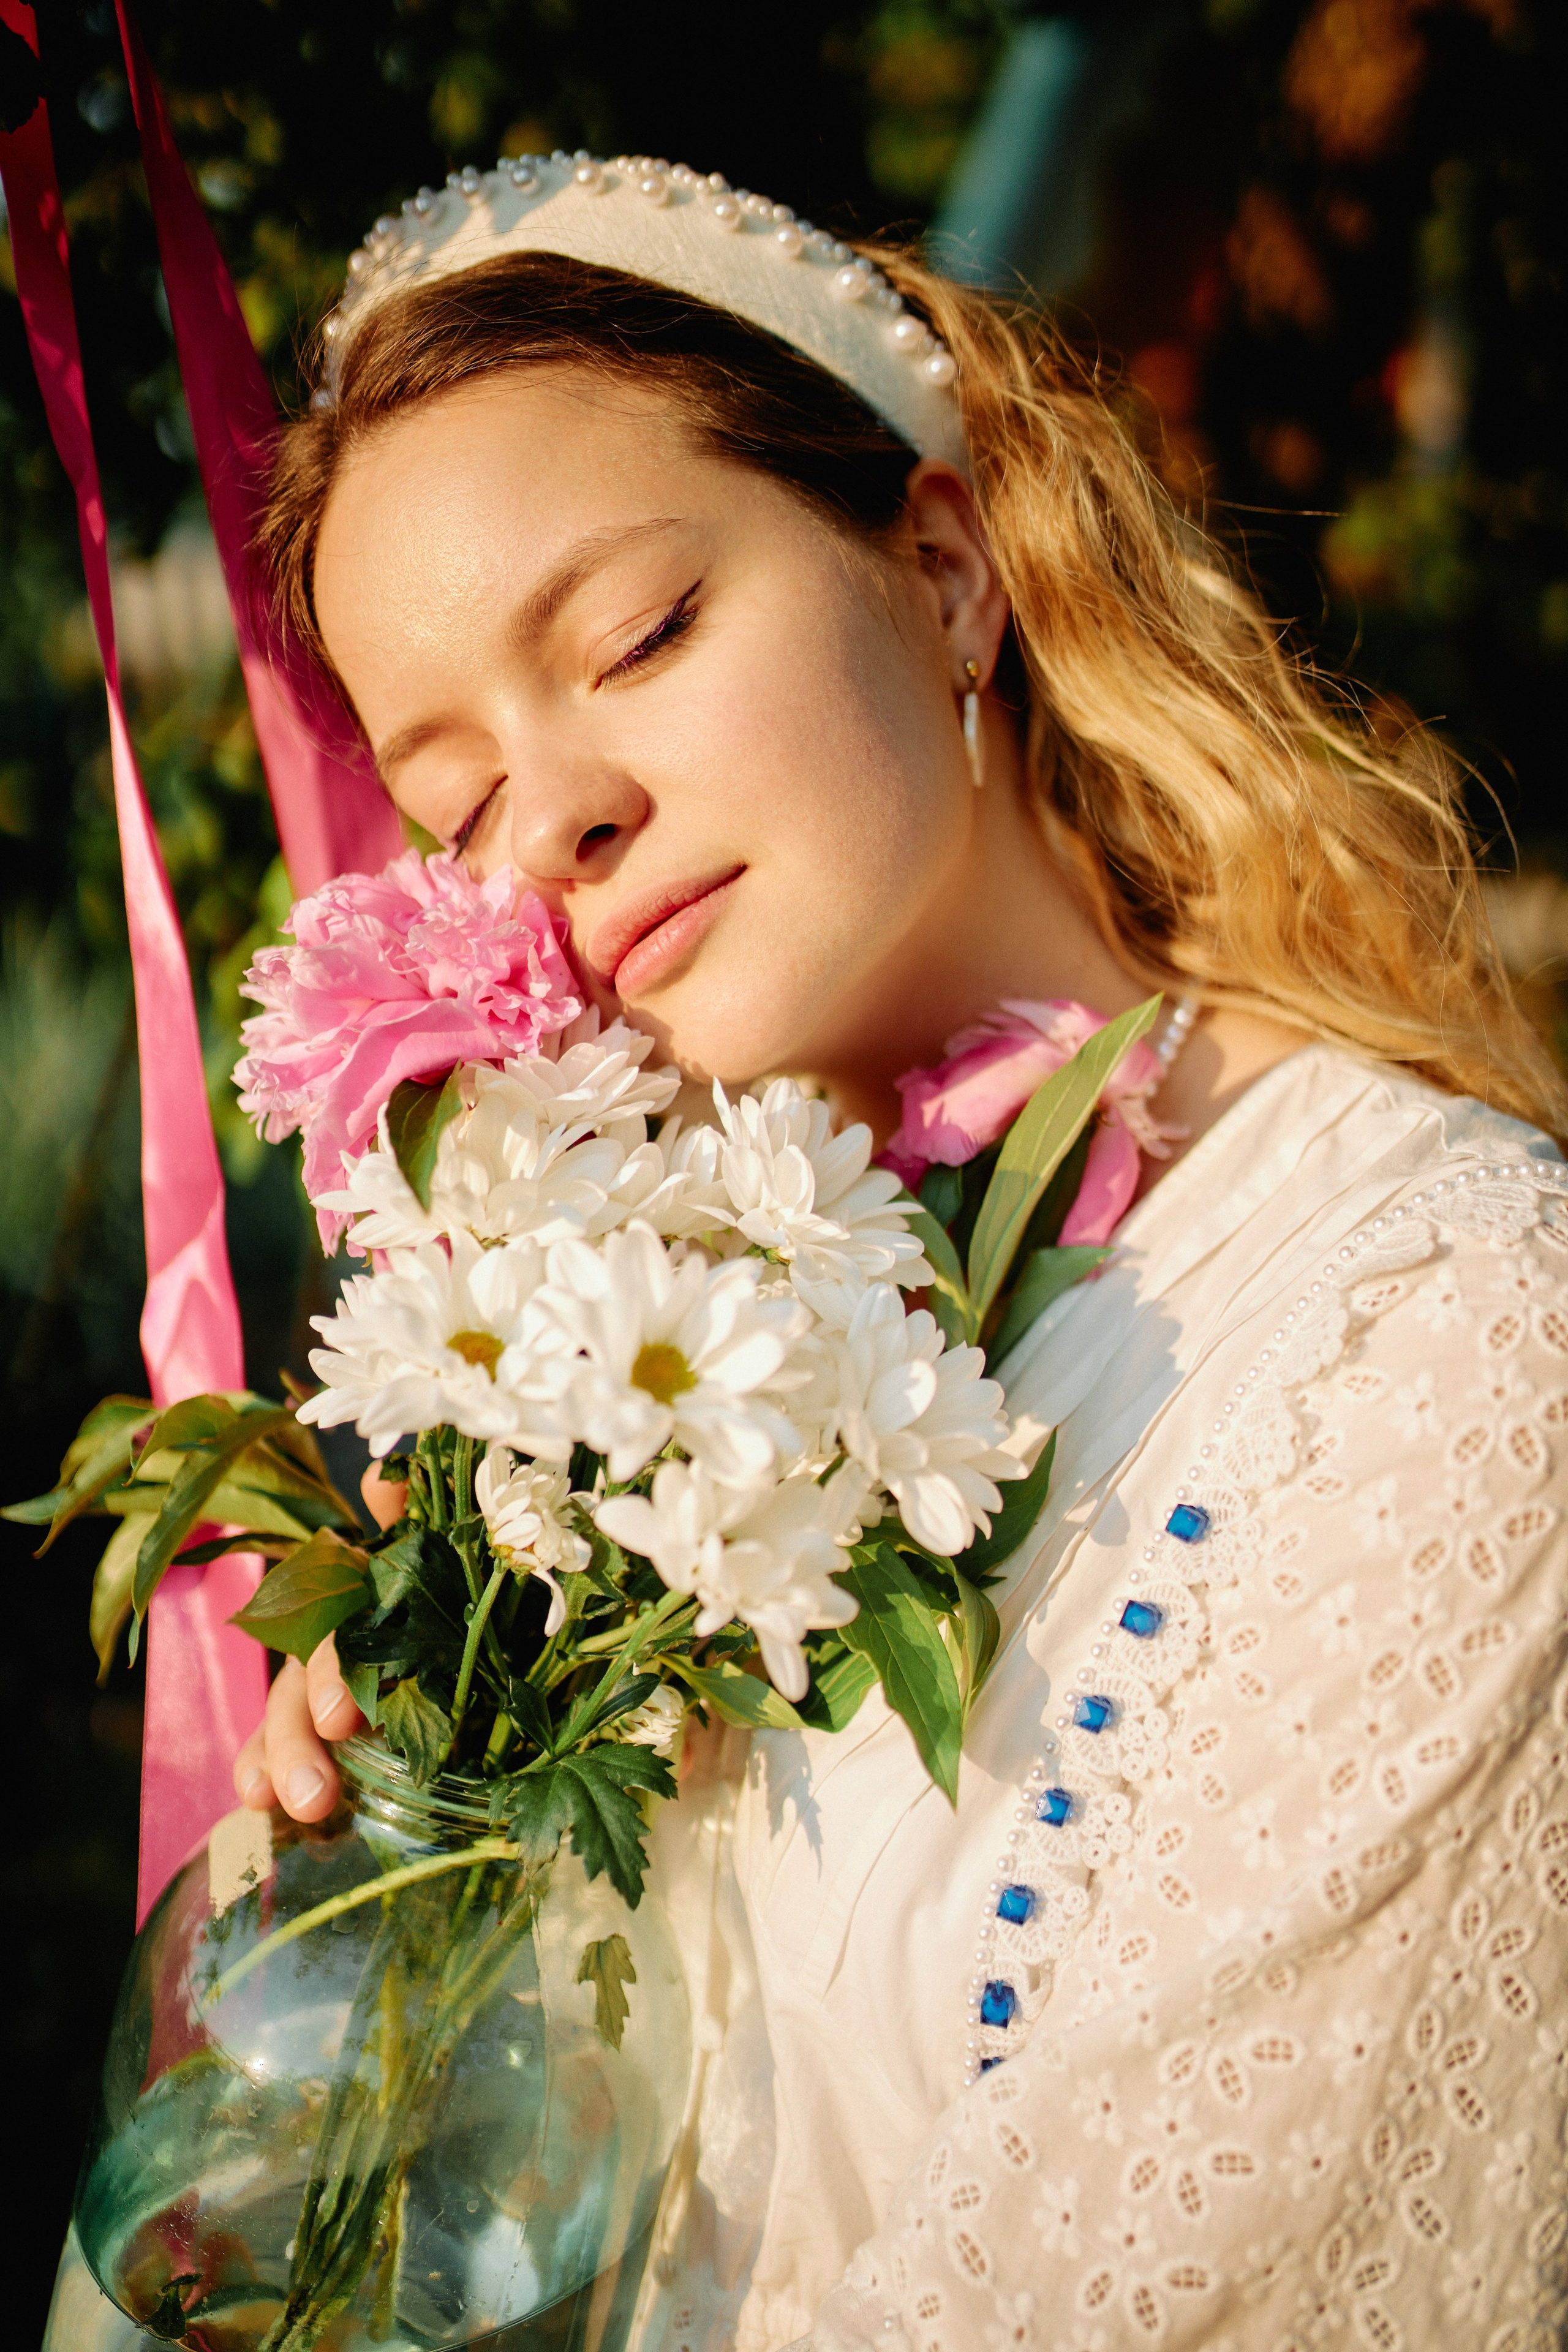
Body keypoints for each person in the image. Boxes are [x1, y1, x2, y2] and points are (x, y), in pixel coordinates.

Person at [229, 155, 1568, 2350]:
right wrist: (430, 1845)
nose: (552, 824)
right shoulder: (634, 1395)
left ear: (942, 570)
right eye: (454, 798)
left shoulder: (1449, 1331)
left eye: (640, 635)